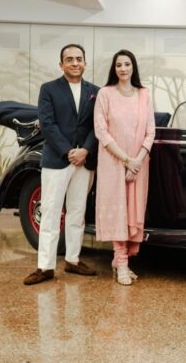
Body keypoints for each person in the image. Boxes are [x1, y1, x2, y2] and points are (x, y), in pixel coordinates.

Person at [24, 44, 100, 285]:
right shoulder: (48, 89)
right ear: (61, 64)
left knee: (77, 212)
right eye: (70, 59)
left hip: (85, 161)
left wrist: (85, 150)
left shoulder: (95, 92)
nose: (75, 63)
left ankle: (73, 260)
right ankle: (45, 267)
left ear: (85, 63)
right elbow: (48, 124)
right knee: (50, 212)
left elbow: (97, 126)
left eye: (79, 59)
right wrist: (69, 152)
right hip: (57, 160)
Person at [94, 49, 155, 286]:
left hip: (139, 163)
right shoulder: (105, 94)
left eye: (127, 64)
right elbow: (101, 131)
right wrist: (126, 160)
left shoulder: (144, 94)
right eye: (118, 65)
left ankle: (122, 260)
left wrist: (137, 161)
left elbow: (150, 131)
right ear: (114, 68)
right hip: (113, 162)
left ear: (133, 67)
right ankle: (121, 264)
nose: (123, 69)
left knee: (132, 212)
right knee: (118, 212)